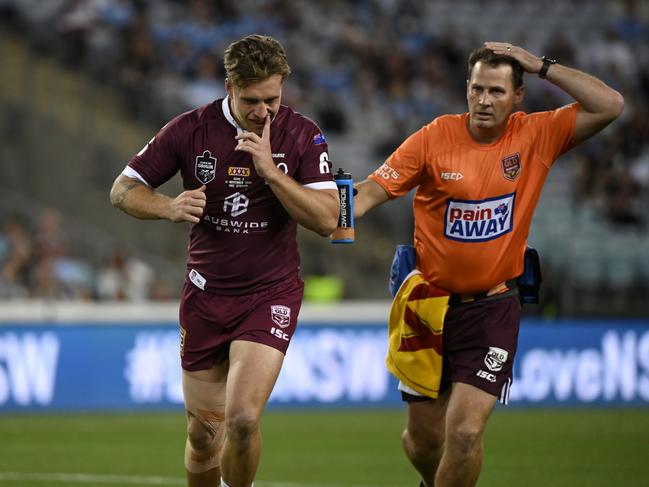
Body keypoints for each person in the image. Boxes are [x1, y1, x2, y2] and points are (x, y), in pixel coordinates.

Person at [352, 42, 624, 487]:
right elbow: (368, 193)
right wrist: (328, 209)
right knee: (421, 442)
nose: (483, 100)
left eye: (496, 91)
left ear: (518, 96)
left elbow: (611, 104)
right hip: (428, 308)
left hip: (492, 309)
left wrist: (541, 66)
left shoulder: (536, 134)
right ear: (466, 89)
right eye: (477, 89)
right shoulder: (434, 136)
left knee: (464, 433)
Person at [109, 34, 339, 487]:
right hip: (206, 296)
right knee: (203, 434)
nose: (263, 112)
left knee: (242, 420)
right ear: (229, 86)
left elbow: (331, 219)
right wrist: (167, 207)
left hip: (270, 294)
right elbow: (121, 190)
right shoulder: (189, 129)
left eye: (272, 99)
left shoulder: (302, 134)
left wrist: (272, 174)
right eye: (252, 100)